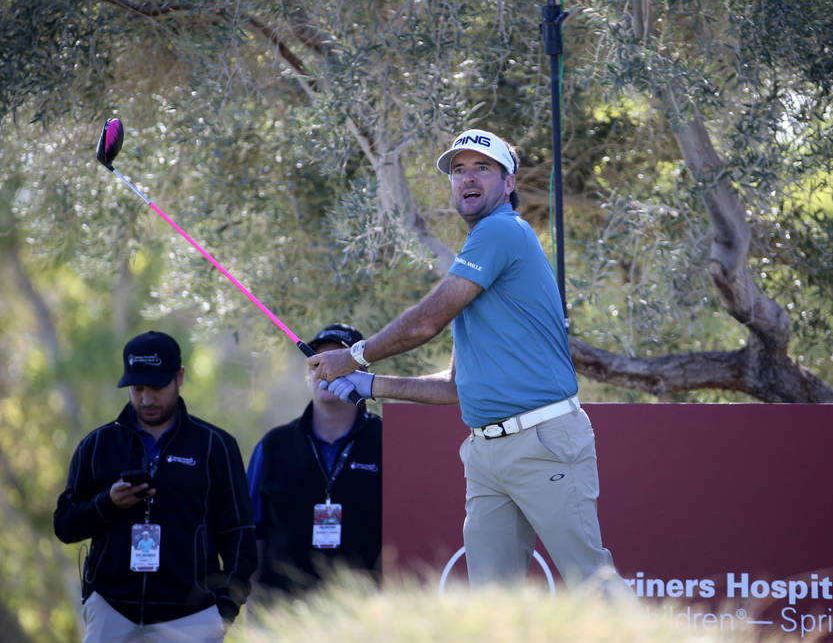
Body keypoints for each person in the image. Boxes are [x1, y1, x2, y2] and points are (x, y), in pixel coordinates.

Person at [309, 129, 621, 590]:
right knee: (492, 603)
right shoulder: (479, 261)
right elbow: (456, 386)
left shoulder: (501, 230)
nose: (468, 178)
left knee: (591, 582)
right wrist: (370, 385)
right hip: (486, 454)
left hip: (543, 440)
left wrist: (353, 357)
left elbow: (424, 324)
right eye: (459, 170)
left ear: (508, 183)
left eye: (482, 168)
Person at [54, 331, 257, 643]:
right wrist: (107, 504)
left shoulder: (215, 445)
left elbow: (239, 533)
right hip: (111, 610)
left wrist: (224, 610)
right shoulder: (97, 445)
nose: (147, 400)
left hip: (193, 617)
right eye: (137, 389)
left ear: (180, 377)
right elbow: (65, 526)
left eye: (157, 387)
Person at [245, 323, 381, 599]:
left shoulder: (386, 441)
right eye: (317, 362)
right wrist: (252, 608)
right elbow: (251, 535)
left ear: (364, 375)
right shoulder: (273, 445)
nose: (325, 371)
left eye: (338, 362)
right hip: (284, 612)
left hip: (365, 611)